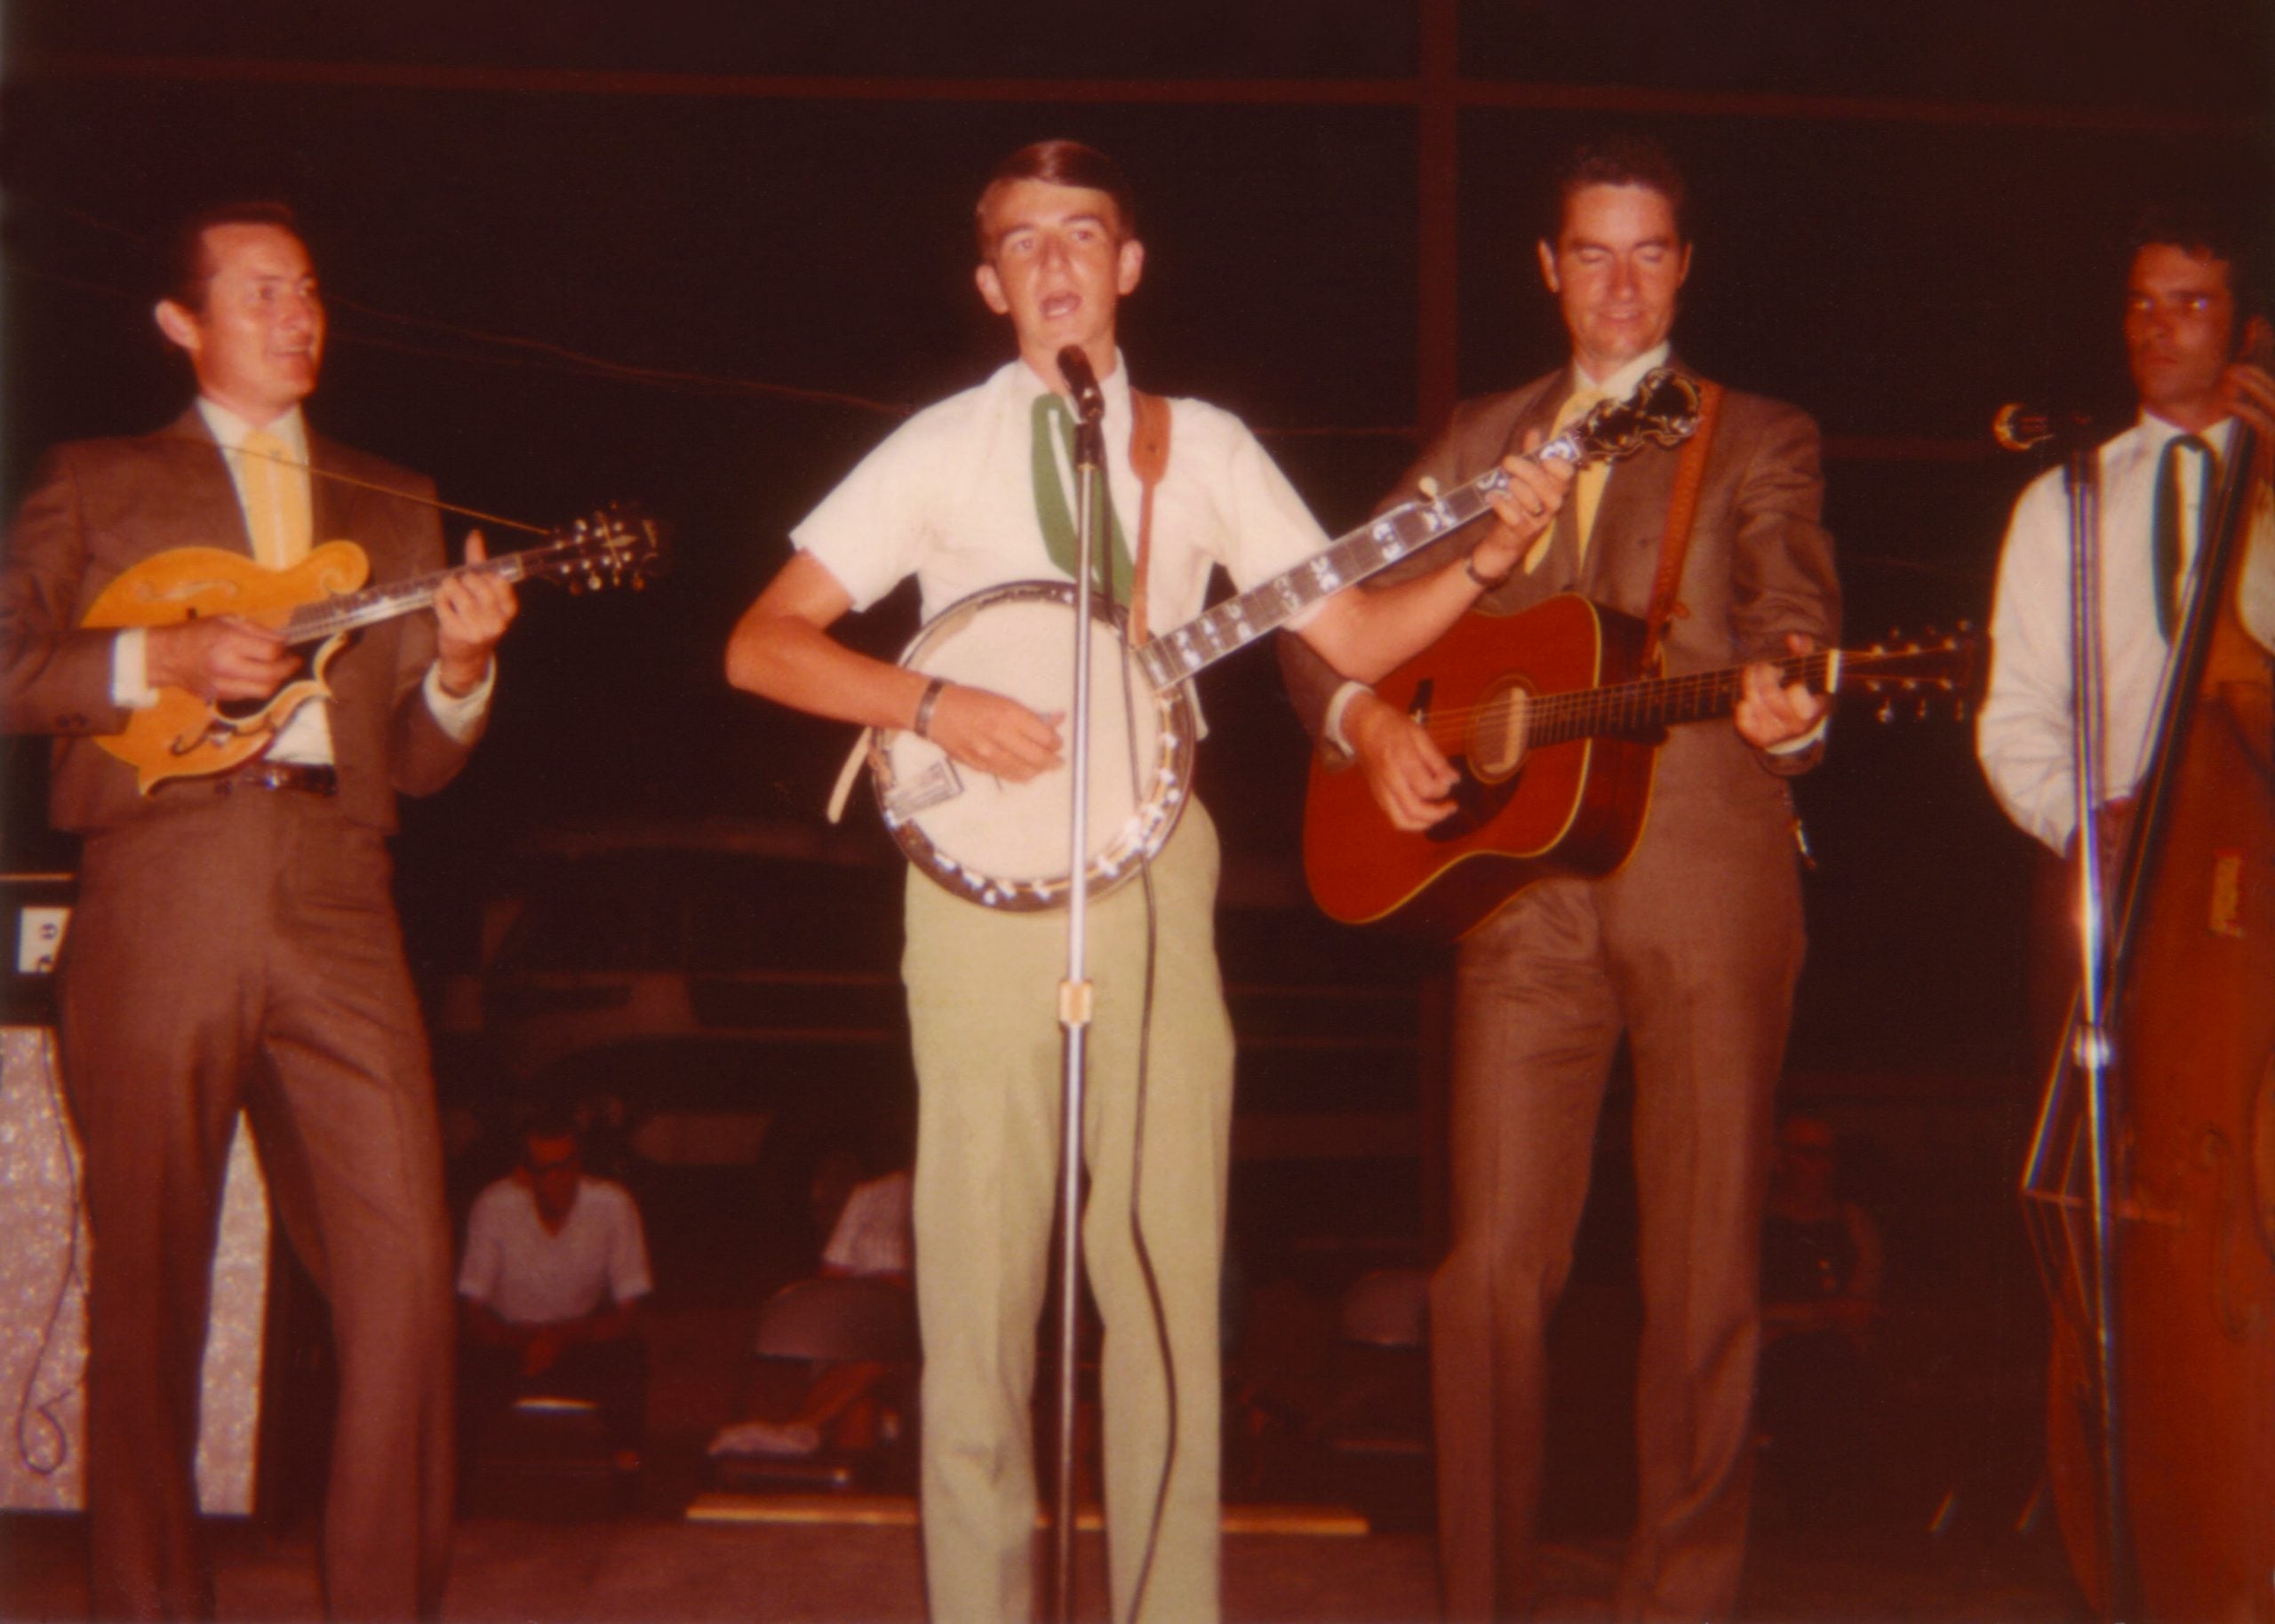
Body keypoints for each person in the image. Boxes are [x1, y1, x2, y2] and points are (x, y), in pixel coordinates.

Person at [724, 139, 1569, 1623]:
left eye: (1086, 234)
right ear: (993, 283)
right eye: (1026, 241)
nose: (1058, 263)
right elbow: (764, 640)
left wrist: (1488, 557)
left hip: (1153, 874)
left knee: (1168, 1279)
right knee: (976, 1291)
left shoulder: (1211, 446)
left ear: (1128, 266)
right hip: (973, 894)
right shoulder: (937, 447)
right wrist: (930, 706)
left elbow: (1358, 639)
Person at [1281, 132, 1840, 1621]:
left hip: (1704, 885)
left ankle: (1682, 1599)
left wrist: (1797, 685)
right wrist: (1367, 718)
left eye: (1649, 252)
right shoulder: (1478, 438)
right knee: (1484, 1275)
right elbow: (1309, 614)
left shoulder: (1758, 434)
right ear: (1547, 267)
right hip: (1517, 896)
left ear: (1686, 267)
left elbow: (1791, 590)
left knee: (1703, 1276)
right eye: (1591, 251)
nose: (1619, 283)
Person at [0, 201, 517, 1619]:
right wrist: (151, 655)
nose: (299, 317)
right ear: (183, 322)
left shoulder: (391, 496)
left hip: (343, 894)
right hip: (161, 881)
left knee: (407, 1282)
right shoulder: (98, 478)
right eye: (261, 293)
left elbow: (411, 754)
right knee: (151, 1295)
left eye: (309, 292)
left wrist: (462, 676)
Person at [1978, 202, 2275, 876]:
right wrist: (2084, 822)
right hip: (2123, 873)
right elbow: (2018, 713)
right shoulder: (2062, 502)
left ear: (2249, 332)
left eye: (2190, 304)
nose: (2156, 327)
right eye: (2140, 304)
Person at [457, 1113, 653, 1496]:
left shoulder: (612, 1205)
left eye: (570, 1165)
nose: (563, 1179)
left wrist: (563, 1337)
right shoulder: (494, 1206)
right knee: (462, 1367)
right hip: (514, 1343)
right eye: (549, 1169)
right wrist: (524, 1341)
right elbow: (473, 1315)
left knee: (629, 1359)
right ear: (524, 1175)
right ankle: (460, 1490)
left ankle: (627, 1480)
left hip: (580, 1338)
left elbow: (630, 1314)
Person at [1756, 1113, 1883, 1523]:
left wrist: (1822, 1318)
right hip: (1770, 1355)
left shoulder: (1852, 1223)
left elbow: (1861, 1300)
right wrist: (1812, 1314)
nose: (1821, 1167)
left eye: (1828, 1155)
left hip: (1833, 1353)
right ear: (1780, 1158)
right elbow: (1742, 1307)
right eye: (1808, 1154)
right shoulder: (1753, 1223)